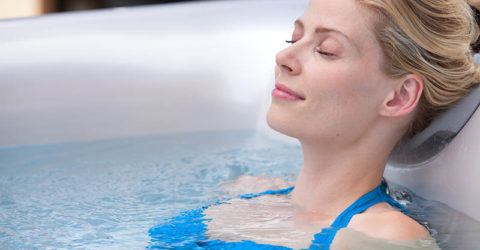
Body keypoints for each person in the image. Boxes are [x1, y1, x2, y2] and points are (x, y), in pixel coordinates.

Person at [149, 0, 480, 248]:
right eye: (295, 39)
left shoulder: (384, 237)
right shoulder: (250, 189)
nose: (283, 58)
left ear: (398, 96)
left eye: (326, 50)